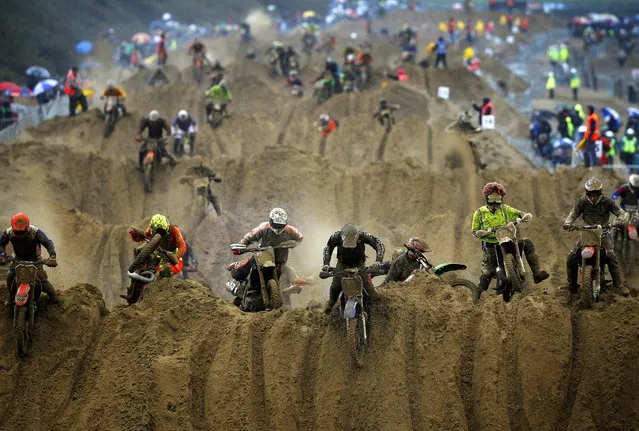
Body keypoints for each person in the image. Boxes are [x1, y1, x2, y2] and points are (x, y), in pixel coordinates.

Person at [471, 182, 549, 297]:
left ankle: (536, 274)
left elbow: (519, 213)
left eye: (497, 199)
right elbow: (474, 231)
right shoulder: (479, 213)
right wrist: (482, 232)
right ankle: (477, 295)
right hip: (490, 244)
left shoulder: (505, 209)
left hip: (507, 239)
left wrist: (525, 215)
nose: (494, 203)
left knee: (527, 244)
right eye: (491, 199)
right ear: (486, 198)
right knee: (487, 271)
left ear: (502, 198)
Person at [563, 178, 628, 296]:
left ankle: (619, 286)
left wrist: (619, 220)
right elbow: (573, 214)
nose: (593, 196)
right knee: (571, 257)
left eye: (596, 193)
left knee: (611, 257)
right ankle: (572, 286)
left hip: (603, 233)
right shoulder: (582, 202)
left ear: (600, 192)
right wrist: (568, 223)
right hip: (587, 233)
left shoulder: (607, 202)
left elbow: (621, 213)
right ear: (586, 192)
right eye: (590, 193)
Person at [322, 223, 385, 314]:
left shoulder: (363, 235)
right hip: (342, 264)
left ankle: (380, 312)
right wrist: (326, 264)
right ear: (343, 237)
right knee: (335, 286)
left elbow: (379, 244)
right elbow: (328, 248)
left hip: (359, 264)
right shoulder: (336, 236)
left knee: (371, 292)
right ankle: (330, 306)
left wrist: (378, 260)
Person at [229, 208, 303, 285]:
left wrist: (294, 243)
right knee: (242, 270)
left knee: (288, 278)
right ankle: (237, 280)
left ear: (285, 223)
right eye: (276, 225)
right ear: (270, 221)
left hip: (280, 260)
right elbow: (249, 237)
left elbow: (300, 237)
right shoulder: (264, 227)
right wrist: (241, 246)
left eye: (280, 225)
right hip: (263, 255)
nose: (278, 228)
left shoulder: (290, 230)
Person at [0, 213, 58, 305]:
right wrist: (2, 255)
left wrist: (52, 256)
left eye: (22, 232)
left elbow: (47, 242)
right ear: (13, 227)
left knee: (43, 281)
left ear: (27, 227)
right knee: (10, 276)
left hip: (36, 259)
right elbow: (1, 244)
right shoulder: (9, 232)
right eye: (17, 232)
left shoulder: (35, 231)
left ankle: (54, 299)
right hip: (18, 259)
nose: (20, 235)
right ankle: (11, 296)